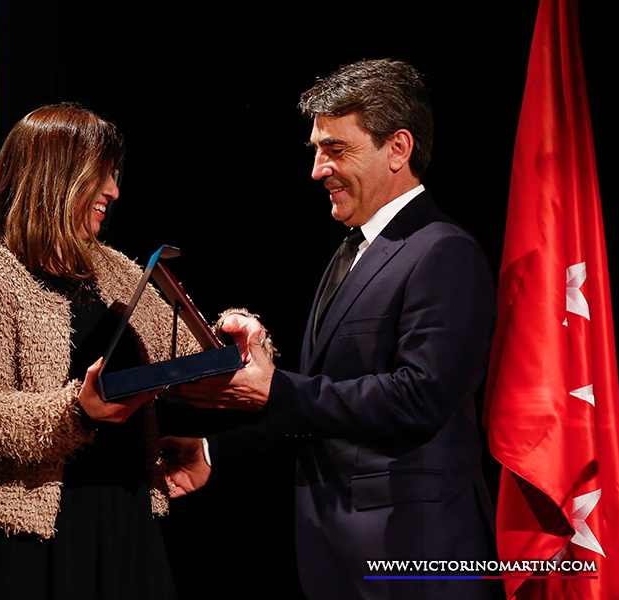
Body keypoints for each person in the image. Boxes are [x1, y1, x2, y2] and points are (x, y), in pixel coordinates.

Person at [164, 59, 499, 600]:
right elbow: (328, 409)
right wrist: (212, 452)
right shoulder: (352, 251)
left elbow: (420, 398)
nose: (318, 170)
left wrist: (278, 389)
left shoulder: (445, 251)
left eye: (336, 149)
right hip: (342, 558)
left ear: (398, 148)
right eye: (317, 150)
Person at [0, 103, 202, 600]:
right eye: (102, 175)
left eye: (115, 176)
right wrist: (78, 411)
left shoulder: (115, 270)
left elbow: (182, 350)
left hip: (121, 519)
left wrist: (236, 337)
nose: (114, 191)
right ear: (58, 177)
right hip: (20, 537)